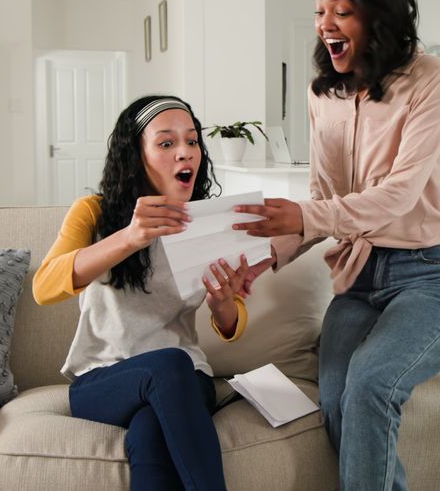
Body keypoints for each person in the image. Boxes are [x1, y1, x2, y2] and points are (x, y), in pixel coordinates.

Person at [233, 0, 440, 490]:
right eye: (321, 11)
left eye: (341, 11)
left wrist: (305, 212)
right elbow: (325, 202)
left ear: (377, 14)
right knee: (338, 397)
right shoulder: (324, 94)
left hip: (431, 280)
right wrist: (263, 258)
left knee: (370, 384)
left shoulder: (431, 79)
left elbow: (397, 196)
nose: (325, 24)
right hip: (357, 283)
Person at [33, 95, 269, 491]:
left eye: (192, 141)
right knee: (168, 365)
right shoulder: (93, 212)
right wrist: (130, 237)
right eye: (166, 143)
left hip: (186, 379)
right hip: (104, 379)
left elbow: (231, 323)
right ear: (135, 156)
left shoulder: (208, 223)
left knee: (150, 430)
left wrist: (222, 302)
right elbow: (45, 287)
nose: (185, 153)